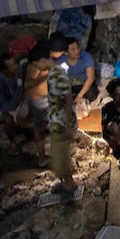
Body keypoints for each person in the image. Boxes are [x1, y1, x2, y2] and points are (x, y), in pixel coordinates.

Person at [44, 37, 77, 195]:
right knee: (59, 155)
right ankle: (66, 183)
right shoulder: (56, 71)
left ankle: (69, 185)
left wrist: (68, 123)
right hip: (57, 120)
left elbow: (68, 99)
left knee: (61, 156)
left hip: (61, 121)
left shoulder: (57, 72)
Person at [0, 53, 28, 156]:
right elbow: (0, 105)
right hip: (3, 107)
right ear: (5, 70)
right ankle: (12, 142)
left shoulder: (19, 70)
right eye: (12, 65)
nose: (16, 66)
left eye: (15, 63)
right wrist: (15, 102)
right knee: (8, 119)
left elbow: (22, 84)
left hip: (18, 102)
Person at [24, 43, 53, 167]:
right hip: (37, 101)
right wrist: (45, 77)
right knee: (39, 128)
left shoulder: (45, 61)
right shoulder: (35, 65)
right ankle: (42, 158)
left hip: (44, 99)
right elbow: (27, 84)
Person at [57, 36, 97, 107]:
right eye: (73, 49)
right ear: (66, 52)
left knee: (92, 93)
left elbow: (90, 78)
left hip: (84, 85)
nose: (77, 51)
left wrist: (80, 96)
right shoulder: (61, 61)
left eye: (77, 48)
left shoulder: (87, 57)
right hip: (71, 86)